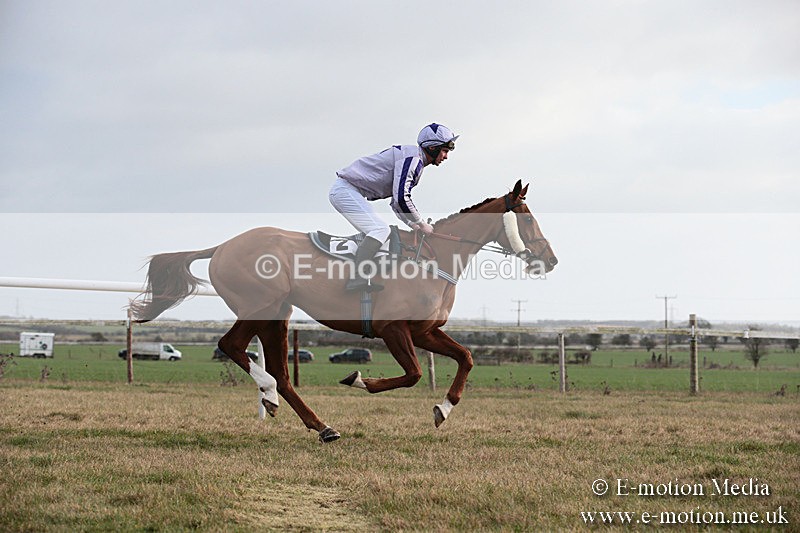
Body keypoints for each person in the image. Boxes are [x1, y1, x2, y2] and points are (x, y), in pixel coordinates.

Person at [329, 123, 458, 292]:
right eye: (445, 151)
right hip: (345, 191)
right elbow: (401, 198)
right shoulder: (413, 159)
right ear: (432, 147)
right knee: (381, 230)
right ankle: (357, 279)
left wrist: (413, 225)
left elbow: (396, 203)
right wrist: (421, 222)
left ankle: (371, 276)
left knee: (384, 232)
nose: (446, 156)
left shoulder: (415, 161)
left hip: (351, 191)